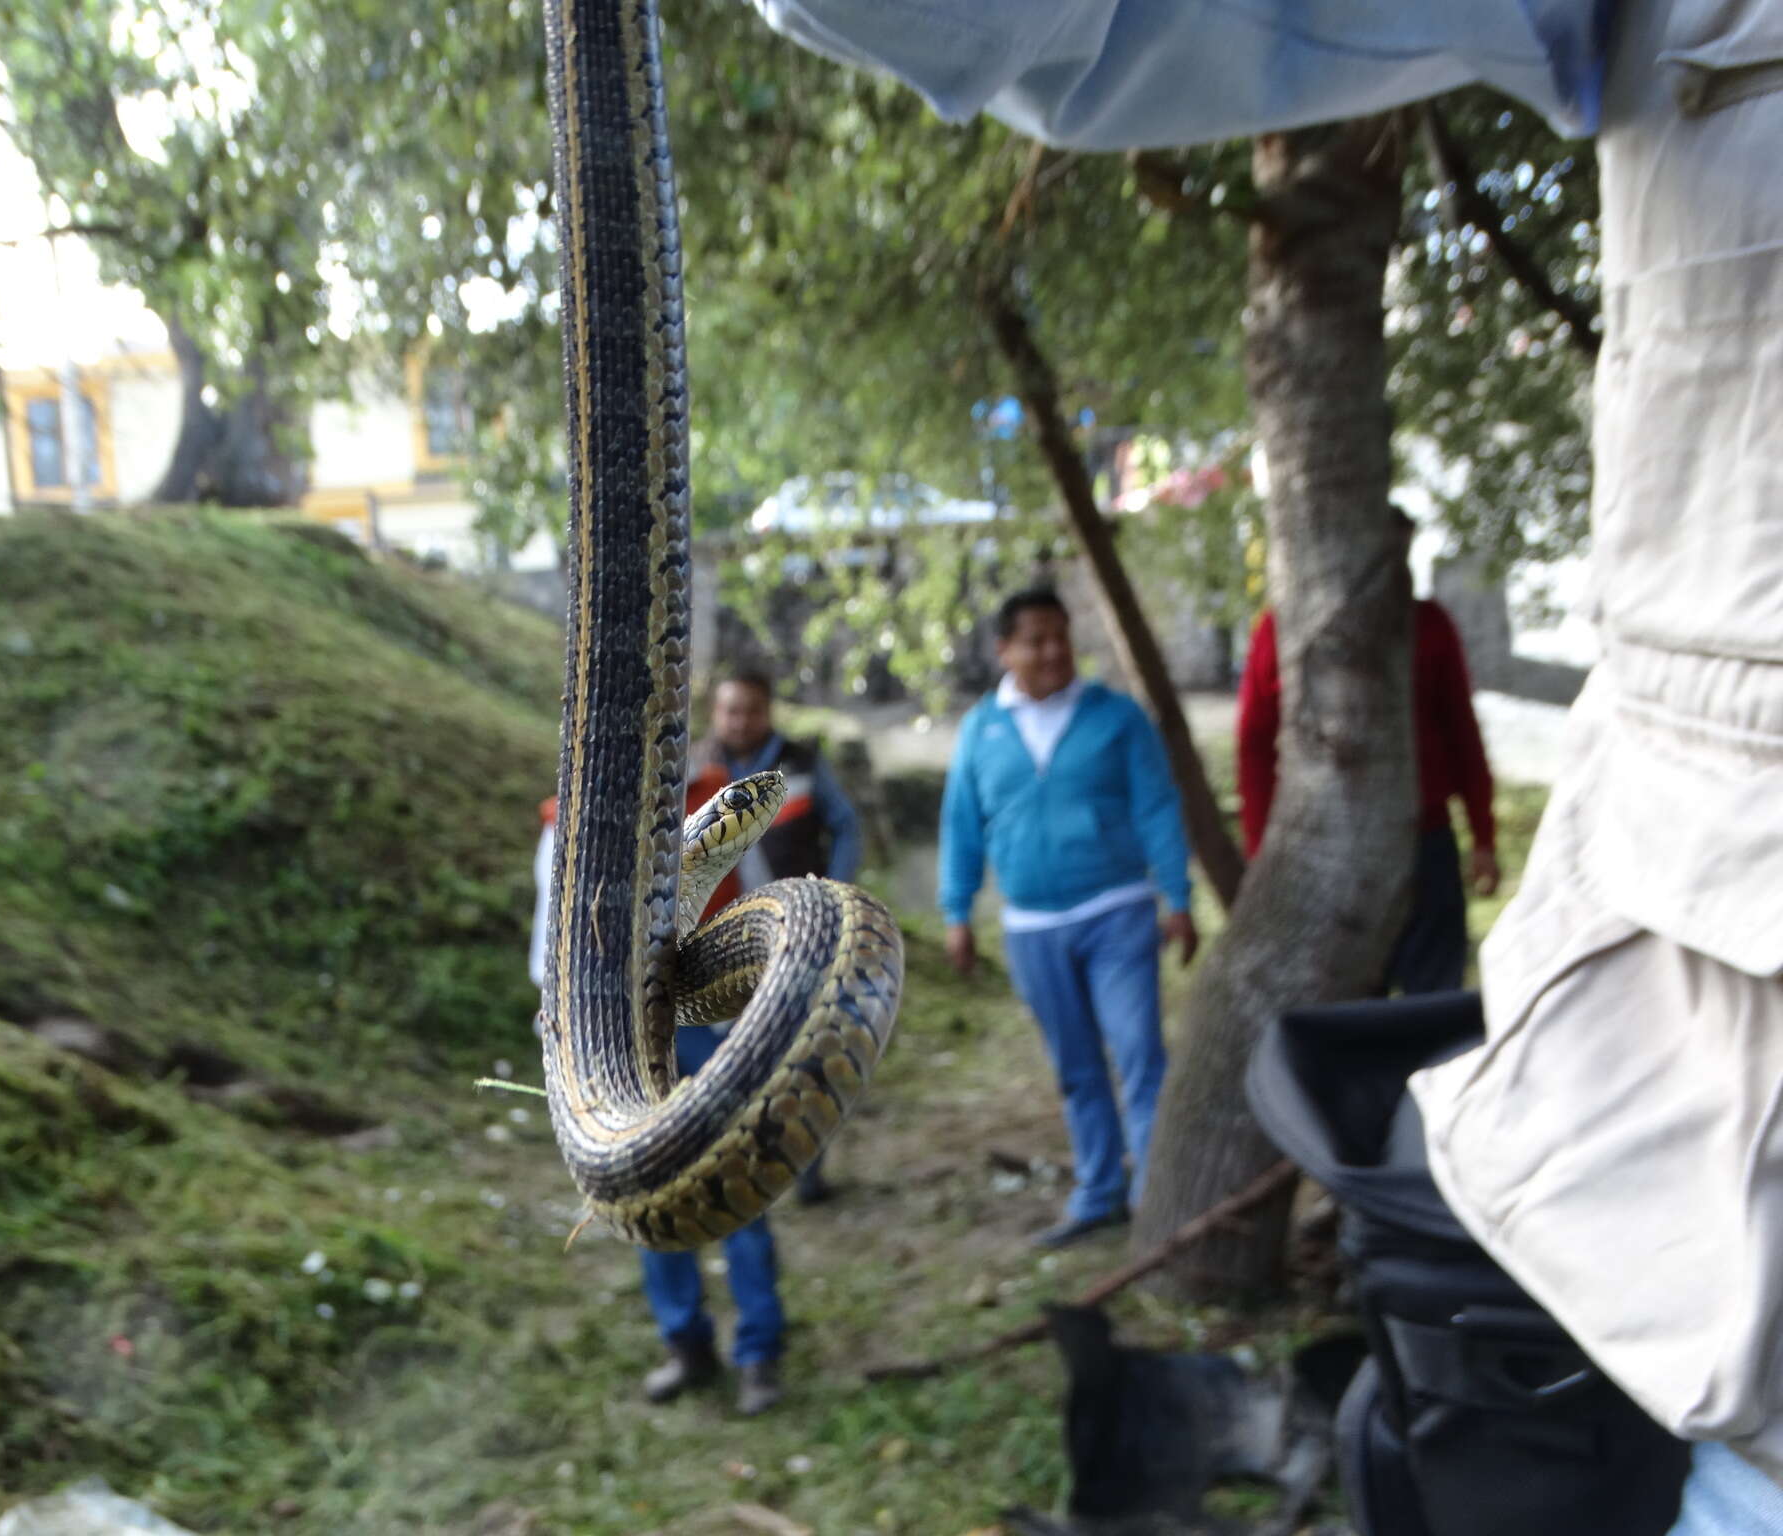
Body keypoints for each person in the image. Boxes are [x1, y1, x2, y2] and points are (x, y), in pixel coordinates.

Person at [754, 0, 1783, 1525]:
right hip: (1729, 1342)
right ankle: (1105, 1185)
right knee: (1099, 1070)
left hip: (1271, 888)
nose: (1040, 661)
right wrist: (968, 902)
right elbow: (1089, 34)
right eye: (1025, 644)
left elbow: (1409, 746)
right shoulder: (1125, 695)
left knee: (1337, 990)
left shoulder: (1377, 645)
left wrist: (1424, 843)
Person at [939, 588, 1199, 1248]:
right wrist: (957, 910)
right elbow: (962, 826)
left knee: (1140, 1053)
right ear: (1005, 651)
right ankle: (1098, 1192)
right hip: (1030, 927)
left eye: (1061, 635)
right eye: (1036, 639)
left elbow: (1157, 808)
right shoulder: (981, 730)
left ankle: (1153, 1200)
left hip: (1116, 910)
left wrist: (1178, 895)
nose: (1053, 650)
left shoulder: (1116, 717)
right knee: (1077, 1066)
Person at [529, 770, 787, 1417]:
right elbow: (550, 935)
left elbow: (757, 905)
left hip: (708, 1030)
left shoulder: (693, 805)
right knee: (647, 1185)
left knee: (737, 1174)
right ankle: (686, 1344)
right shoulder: (564, 826)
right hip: (621, 1043)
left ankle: (759, 1352)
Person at [1236, 506, 1500, 994]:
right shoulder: (1283, 632)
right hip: (1329, 850)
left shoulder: (1430, 625)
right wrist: (1260, 850)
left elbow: (1462, 732)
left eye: (1403, 554)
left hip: (1426, 841)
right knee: (1348, 999)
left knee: (1433, 998)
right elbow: (1254, 744)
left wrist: (1482, 835)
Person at [692, 665, 865, 1205]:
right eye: (730, 710)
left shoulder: (802, 763)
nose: (741, 721)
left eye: (752, 710)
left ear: (768, 712)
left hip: (801, 932)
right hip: (722, 941)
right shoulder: (695, 767)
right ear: (716, 713)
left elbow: (846, 825)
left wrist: (832, 892)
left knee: (804, 1043)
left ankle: (804, 1166)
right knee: (739, 1050)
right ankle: (752, 1161)